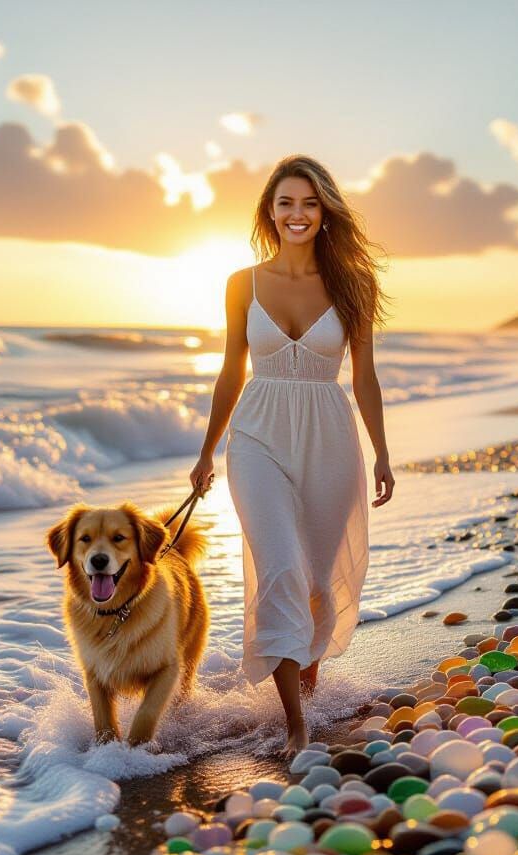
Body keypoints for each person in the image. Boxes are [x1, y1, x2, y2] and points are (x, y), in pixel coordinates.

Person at [190, 154, 394, 758]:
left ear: (324, 210)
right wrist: (206, 452)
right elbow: (231, 371)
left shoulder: (355, 284)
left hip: (330, 438)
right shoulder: (241, 283)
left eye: (308, 202)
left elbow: (366, 379)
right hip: (256, 437)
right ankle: (295, 725)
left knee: (316, 585)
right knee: (280, 569)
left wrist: (382, 451)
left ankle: (304, 675)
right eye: (285, 203)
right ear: (269, 212)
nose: (297, 214)